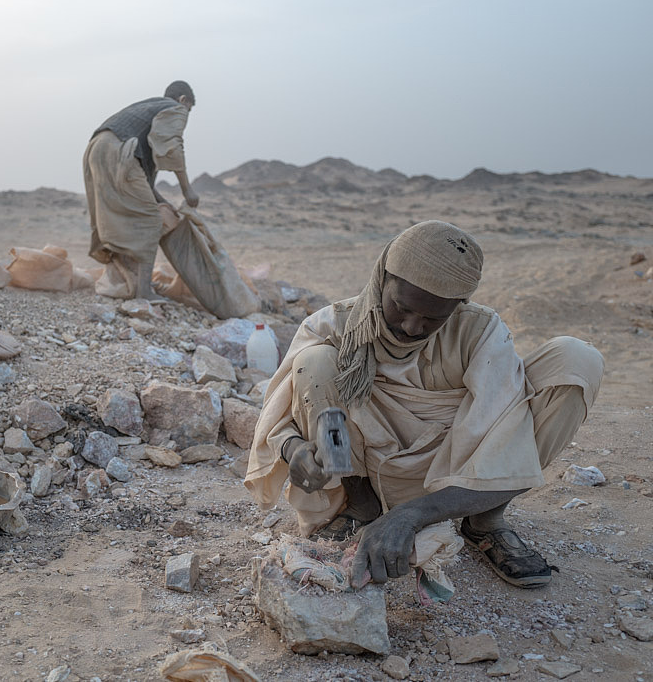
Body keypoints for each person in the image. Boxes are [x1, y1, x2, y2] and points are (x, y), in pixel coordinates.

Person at [245, 220, 604, 589]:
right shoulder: (334, 324)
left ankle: (484, 519)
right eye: (402, 308)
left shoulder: (479, 332)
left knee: (576, 359)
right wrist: (296, 450)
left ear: (458, 306)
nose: (413, 327)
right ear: (383, 279)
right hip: (365, 467)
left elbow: (506, 435)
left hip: (454, 475)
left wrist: (412, 515)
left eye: (434, 317)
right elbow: (278, 417)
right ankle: (360, 506)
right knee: (316, 361)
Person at [83, 80, 199, 300]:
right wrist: (187, 191)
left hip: (97, 148)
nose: (187, 116)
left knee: (127, 219)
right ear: (183, 100)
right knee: (150, 221)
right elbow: (173, 148)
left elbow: (145, 183)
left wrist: (164, 202)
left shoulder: (147, 109)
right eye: (189, 110)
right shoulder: (173, 108)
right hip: (118, 150)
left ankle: (127, 283)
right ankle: (143, 294)